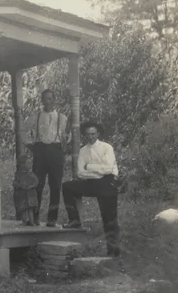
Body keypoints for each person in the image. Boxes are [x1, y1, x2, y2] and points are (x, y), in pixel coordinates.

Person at [61, 123, 121, 257]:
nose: (91, 137)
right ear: (85, 135)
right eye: (88, 134)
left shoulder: (107, 148)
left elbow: (108, 169)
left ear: (98, 133)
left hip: (107, 183)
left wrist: (90, 167)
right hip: (92, 183)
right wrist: (97, 173)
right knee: (67, 187)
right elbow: (80, 173)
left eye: (93, 134)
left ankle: (113, 253)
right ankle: (74, 220)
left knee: (109, 220)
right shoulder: (83, 150)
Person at [23, 89, 71, 227]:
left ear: (54, 100)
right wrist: (29, 145)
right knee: (37, 184)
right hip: (40, 150)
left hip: (55, 151)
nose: (47, 101)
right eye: (44, 98)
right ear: (41, 100)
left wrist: (64, 141)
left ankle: (52, 219)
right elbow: (22, 130)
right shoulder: (36, 116)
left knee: (55, 185)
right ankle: (35, 217)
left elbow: (68, 137)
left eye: (50, 98)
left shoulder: (62, 117)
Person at [13, 151, 40, 226]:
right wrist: (20, 185)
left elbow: (36, 182)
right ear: (22, 165)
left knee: (30, 209)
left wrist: (31, 186)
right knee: (23, 209)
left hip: (30, 194)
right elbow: (14, 183)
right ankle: (24, 221)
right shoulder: (18, 174)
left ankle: (31, 221)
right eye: (28, 163)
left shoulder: (31, 174)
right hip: (22, 195)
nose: (30, 165)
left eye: (31, 163)